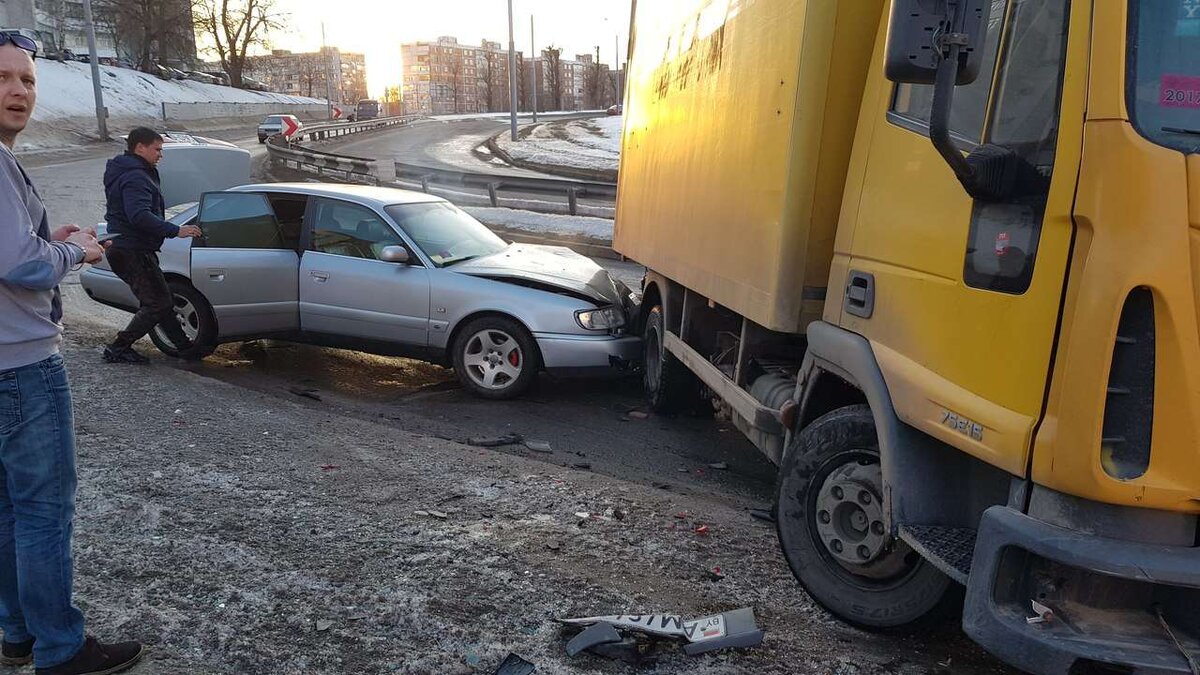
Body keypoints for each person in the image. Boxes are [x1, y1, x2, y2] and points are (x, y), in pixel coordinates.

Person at [0, 32, 144, 674]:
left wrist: (43, 236)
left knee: (7, 509)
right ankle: (60, 648)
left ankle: (18, 632)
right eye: (4, 78)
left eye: (27, 80)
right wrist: (74, 252)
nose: (18, 91)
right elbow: (20, 264)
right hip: (23, 364)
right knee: (43, 512)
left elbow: (14, 247)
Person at [101, 127, 201, 364]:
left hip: (129, 247)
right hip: (131, 249)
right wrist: (177, 230)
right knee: (158, 303)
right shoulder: (136, 175)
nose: (160, 155)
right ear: (140, 147)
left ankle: (185, 348)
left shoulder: (131, 170)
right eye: (157, 149)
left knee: (161, 300)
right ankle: (118, 347)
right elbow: (139, 215)